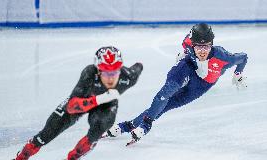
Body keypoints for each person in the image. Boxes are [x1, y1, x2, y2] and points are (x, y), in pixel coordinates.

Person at [0, 46, 143, 160]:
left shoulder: (128, 77)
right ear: (98, 70)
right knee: (46, 134)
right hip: (81, 101)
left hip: (106, 106)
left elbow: (138, 67)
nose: (111, 78)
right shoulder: (89, 74)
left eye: (115, 72)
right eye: (106, 73)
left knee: (97, 132)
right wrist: (100, 98)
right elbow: (72, 107)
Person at [105, 23, 248, 144]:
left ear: (212, 44)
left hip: (202, 84)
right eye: (198, 47)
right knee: (166, 92)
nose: (202, 51)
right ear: (192, 44)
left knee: (168, 105)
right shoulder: (187, 43)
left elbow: (243, 57)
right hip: (187, 66)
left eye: (206, 47)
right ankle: (145, 125)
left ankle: (128, 125)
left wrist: (238, 74)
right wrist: (184, 55)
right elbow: (187, 48)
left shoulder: (223, 57)